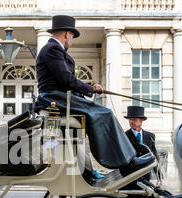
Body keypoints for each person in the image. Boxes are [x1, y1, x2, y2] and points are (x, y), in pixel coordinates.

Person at [36, 15, 154, 181]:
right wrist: (91, 89)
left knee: (93, 119)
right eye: (72, 37)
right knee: (104, 113)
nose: (72, 41)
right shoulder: (53, 49)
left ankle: (88, 170)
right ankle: (127, 161)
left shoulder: (51, 49)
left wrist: (89, 86)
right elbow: (66, 80)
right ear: (67, 34)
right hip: (56, 99)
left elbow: (63, 79)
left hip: (57, 98)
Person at [124, 105, 161, 198]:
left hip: (146, 176)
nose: (133, 122)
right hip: (130, 176)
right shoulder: (125, 136)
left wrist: (158, 176)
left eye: (135, 119)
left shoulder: (150, 136)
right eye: (131, 119)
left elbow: (155, 155)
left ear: (141, 121)